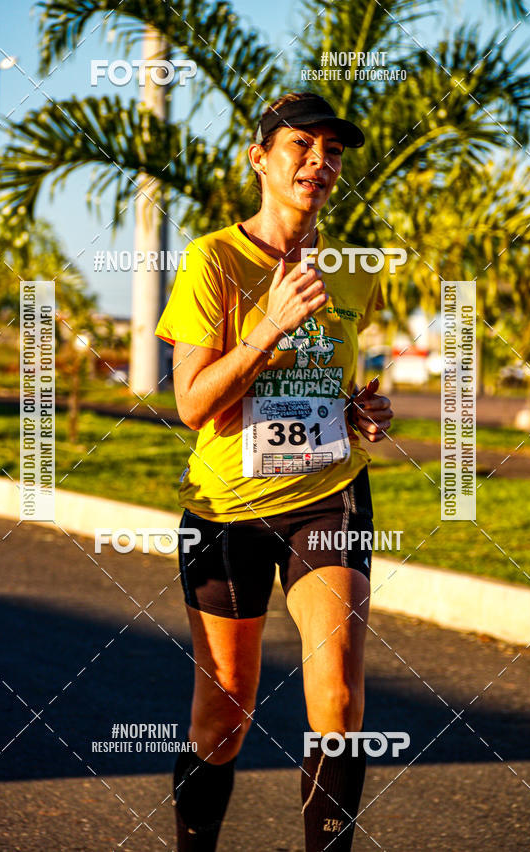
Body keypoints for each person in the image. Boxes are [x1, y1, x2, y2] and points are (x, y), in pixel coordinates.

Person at [155, 90, 394, 851]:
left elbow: (333, 386)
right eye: (302, 146)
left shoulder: (353, 272)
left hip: (328, 496)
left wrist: (361, 412)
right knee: (225, 713)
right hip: (228, 508)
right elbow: (193, 403)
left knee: (340, 702)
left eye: (333, 152)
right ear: (261, 158)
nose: (319, 163)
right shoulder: (212, 261)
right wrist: (266, 327)